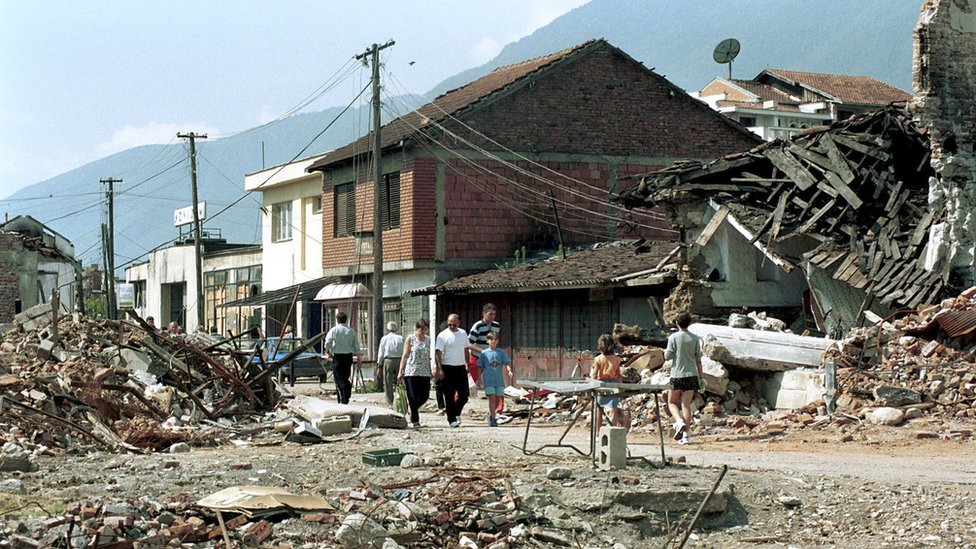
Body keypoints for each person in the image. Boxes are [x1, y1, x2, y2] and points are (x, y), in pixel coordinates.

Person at [664, 311, 704, 445]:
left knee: (671, 402)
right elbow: (698, 360)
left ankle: (678, 421)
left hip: (677, 374)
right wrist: (701, 377)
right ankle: (685, 436)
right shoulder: (694, 338)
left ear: (677, 323)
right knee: (686, 405)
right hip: (692, 375)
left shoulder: (673, 337)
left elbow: (667, 356)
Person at [467, 303, 504, 417]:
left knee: (497, 383)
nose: (492, 316)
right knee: (468, 384)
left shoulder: (496, 326)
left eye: (494, 314)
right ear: (484, 314)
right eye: (490, 314)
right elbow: (468, 343)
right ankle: (455, 407)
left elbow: (495, 340)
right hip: (476, 357)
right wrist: (482, 351)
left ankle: (497, 410)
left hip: (490, 359)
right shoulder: (477, 326)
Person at [435, 313, 469, 428]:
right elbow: (438, 353)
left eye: (453, 325)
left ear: (458, 323)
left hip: (460, 367)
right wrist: (439, 368)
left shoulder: (463, 333)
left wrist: (467, 363)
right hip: (447, 367)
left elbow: (465, 348)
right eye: (449, 325)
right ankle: (451, 419)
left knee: (464, 395)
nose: (451, 327)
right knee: (449, 395)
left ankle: (456, 412)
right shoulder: (442, 335)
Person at [397, 319, 432, 428]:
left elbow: (429, 356)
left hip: (425, 372)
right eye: (421, 329)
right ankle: (415, 420)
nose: (423, 332)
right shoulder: (410, 339)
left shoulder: (428, 340)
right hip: (411, 371)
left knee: (424, 396)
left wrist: (431, 369)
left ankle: (412, 410)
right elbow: (405, 355)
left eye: (425, 329)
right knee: (412, 396)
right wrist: (400, 371)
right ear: (417, 328)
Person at [324, 311, 361, 405]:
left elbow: (327, 343)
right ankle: (345, 395)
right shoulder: (351, 331)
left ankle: (344, 397)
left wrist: (328, 352)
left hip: (338, 357)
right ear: (346, 319)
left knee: (339, 379)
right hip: (348, 357)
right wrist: (359, 359)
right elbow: (356, 346)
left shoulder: (334, 330)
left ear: (337, 320)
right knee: (345, 376)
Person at [477, 332, 513, 427]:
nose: (493, 341)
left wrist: (509, 370)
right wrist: (478, 379)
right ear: (487, 341)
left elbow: (507, 362)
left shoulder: (500, 352)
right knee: (491, 397)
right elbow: (480, 367)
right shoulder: (484, 353)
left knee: (498, 398)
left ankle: (491, 413)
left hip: (498, 379)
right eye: (491, 339)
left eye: (495, 339)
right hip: (488, 380)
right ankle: (493, 418)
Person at [591, 333, 623, 429]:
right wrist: (621, 386)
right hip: (614, 384)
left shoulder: (598, 359)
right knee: (614, 408)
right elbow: (618, 375)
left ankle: (597, 433)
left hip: (602, 384)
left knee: (599, 409)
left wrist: (592, 384)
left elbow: (594, 374)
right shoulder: (617, 359)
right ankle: (611, 431)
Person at [377, 321, 404, 404]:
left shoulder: (384, 338)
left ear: (387, 329)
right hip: (400, 360)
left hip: (388, 360)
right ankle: (401, 399)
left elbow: (381, 352)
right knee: (399, 380)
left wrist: (379, 364)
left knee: (388, 381)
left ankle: (390, 401)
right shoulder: (401, 338)